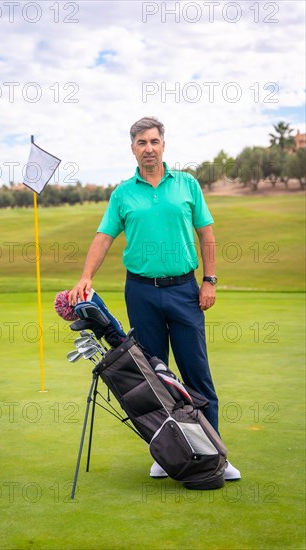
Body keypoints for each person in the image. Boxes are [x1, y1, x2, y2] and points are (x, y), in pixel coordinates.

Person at [69, 116, 240, 481]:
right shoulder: (122, 193)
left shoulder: (187, 185)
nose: (148, 148)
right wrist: (86, 276)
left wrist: (209, 281)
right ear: (133, 149)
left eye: (154, 141)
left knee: (197, 373)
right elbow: (103, 237)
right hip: (141, 292)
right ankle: (168, 454)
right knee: (152, 376)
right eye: (141, 143)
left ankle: (215, 453)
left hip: (184, 290)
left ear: (164, 144)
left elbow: (206, 235)